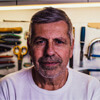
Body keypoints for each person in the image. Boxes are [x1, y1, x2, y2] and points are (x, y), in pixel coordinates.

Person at [0, 7, 100, 100]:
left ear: (71, 47)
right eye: (40, 42)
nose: (49, 51)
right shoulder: (8, 88)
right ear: (29, 47)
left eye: (59, 42)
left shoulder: (91, 89)